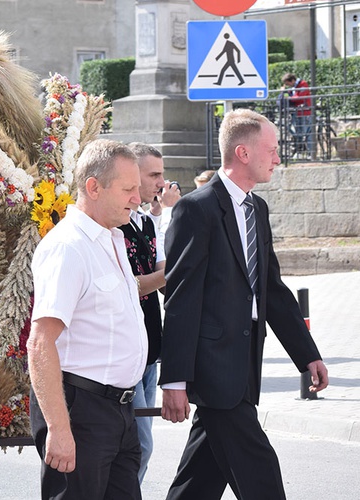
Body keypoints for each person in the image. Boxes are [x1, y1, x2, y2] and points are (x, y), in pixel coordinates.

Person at [159, 109, 329, 500]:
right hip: (212, 369)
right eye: (271, 150)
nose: (278, 158)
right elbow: (182, 298)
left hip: (244, 368)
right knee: (261, 472)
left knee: (197, 482)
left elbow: (272, 291)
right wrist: (175, 380)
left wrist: (307, 355)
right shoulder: (196, 209)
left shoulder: (258, 209)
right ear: (243, 153)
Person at [28, 139, 147, 499]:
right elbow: (40, 342)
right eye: (128, 189)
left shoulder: (110, 238)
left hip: (119, 412)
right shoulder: (68, 247)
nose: (138, 198)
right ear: (93, 187)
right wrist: (59, 429)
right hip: (81, 412)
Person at [120, 143, 169, 484]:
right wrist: (181, 269)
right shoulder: (116, 226)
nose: (160, 182)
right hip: (128, 352)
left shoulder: (145, 223)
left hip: (151, 349)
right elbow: (131, 285)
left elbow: (161, 280)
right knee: (140, 445)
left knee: (141, 445)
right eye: (154, 174)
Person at [281, 73, 313, 157]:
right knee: (299, 133)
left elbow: (299, 97)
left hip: (305, 112)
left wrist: (289, 97)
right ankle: (300, 153)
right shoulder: (294, 87)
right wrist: (284, 93)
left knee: (307, 133)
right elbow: (288, 96)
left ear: (292, 80)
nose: (288, 86)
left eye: (288, 84)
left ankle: (311, 153)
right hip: (297, 112)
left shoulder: (303, 84)